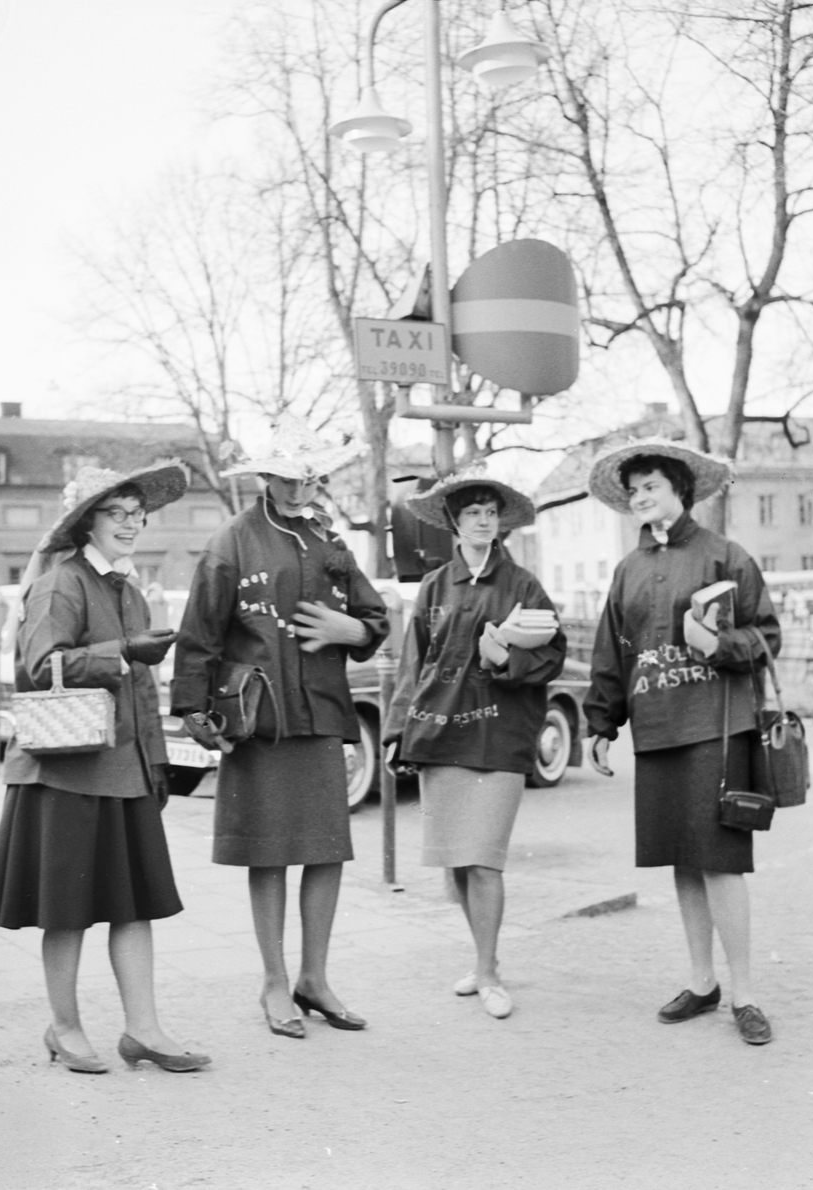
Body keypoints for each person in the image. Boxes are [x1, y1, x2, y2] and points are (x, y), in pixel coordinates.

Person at [0, 463, 210, 1075]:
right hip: (64, 772)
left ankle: (144, 1030)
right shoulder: (61, 583)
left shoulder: (128, 589)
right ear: (87, 523)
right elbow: (39, 665)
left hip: (122, 770)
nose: (131, 524)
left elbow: (137, 691)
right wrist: (123, 652)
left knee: (136, 904)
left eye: (137, 513)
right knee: (67, 908)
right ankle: (65, 1027)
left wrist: (158, 766)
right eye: (116, 513)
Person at [171, 417, 389, 1040]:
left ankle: (314, 979)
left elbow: (373, 616)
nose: (300, 490)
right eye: (289, 479)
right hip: (259, 720)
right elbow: (199, 636)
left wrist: (352, 631)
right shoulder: (231, 543)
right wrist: (194, 709)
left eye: (311, 478)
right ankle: (273, 981)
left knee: (326, 850)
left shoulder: (330, 540)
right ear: (265, 476)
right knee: (267, 854)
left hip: (320, 713)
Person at [582, 439, 780, 1046]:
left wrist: (719, 646)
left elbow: (768, 634)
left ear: (680, 492)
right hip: (658, 728)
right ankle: (702, 982)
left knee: (719, 858)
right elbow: (612, 651)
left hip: (718, 726)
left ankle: (744, 992)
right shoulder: (628, 571)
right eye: (635, 489)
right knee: (681, 857)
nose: (643, 497)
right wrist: (600, 723)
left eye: (653, 487)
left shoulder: (726, 556)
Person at [382, 471, 566, 1020]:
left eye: (491, 512)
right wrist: (396, 731)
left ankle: (488, 971)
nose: (484, 521)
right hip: (441, 735)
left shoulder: (524, 586)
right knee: (457, 865)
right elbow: (415, 664)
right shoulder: (436, 586)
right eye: (473, 513)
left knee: (484, 861)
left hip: (500, 738)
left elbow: (553, 654)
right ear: (454, 524)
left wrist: (507, 661)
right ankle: (484, 961)